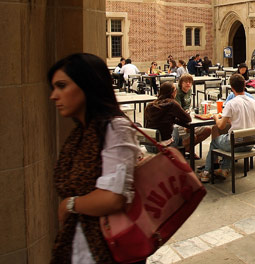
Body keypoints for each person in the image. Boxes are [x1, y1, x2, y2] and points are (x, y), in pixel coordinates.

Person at [48, 53, 145, 263]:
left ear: (87, 84)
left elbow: (113, 198)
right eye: (53, 87)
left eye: (62, 86)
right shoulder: (81, 132)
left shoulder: (115, 127)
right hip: (79, 245)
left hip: (109, 248)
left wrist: (70, 204)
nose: (53, 95)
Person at [199, 74, 255, 182]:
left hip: (236, 143)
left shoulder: (231, 103)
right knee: (227, 138)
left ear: (232, 88)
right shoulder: (254, 103)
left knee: (216, 142)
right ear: (244, 85)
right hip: (250, 142)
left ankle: (206, 172)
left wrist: (216, 117)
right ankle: (224, 169)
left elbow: (221, 125)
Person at [144, 81, 211, 158]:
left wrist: (173, 118)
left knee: (178, 131)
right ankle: (182, 150)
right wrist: (176, 116)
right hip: (163, 147)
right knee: (185, 134)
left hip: (149, 145)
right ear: (173, 93)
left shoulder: (150, 106)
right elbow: (188, 119)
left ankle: (184, 149)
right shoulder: (172, 104)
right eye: (175, 90)